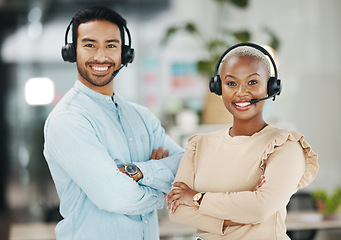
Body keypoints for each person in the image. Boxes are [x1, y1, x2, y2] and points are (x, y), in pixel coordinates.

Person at [43, 6, 184, 240]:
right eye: (89, 45)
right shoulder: (68, 120)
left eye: (111, 45)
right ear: (72, 52)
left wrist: (139, 172)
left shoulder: (142, 117)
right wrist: (161, 191)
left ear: (124, 53)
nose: (101, 56)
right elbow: (116, 197)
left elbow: (185, 169)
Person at [167, 43, 319, 240]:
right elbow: (177, 211)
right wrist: (237, 216)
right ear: (218, 87)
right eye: (231, 83)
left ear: (271, 86)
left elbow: (259, 208)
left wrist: (197, 197)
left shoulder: (286, 145)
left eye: (252, 82)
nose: (241, 92)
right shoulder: (199, 145)